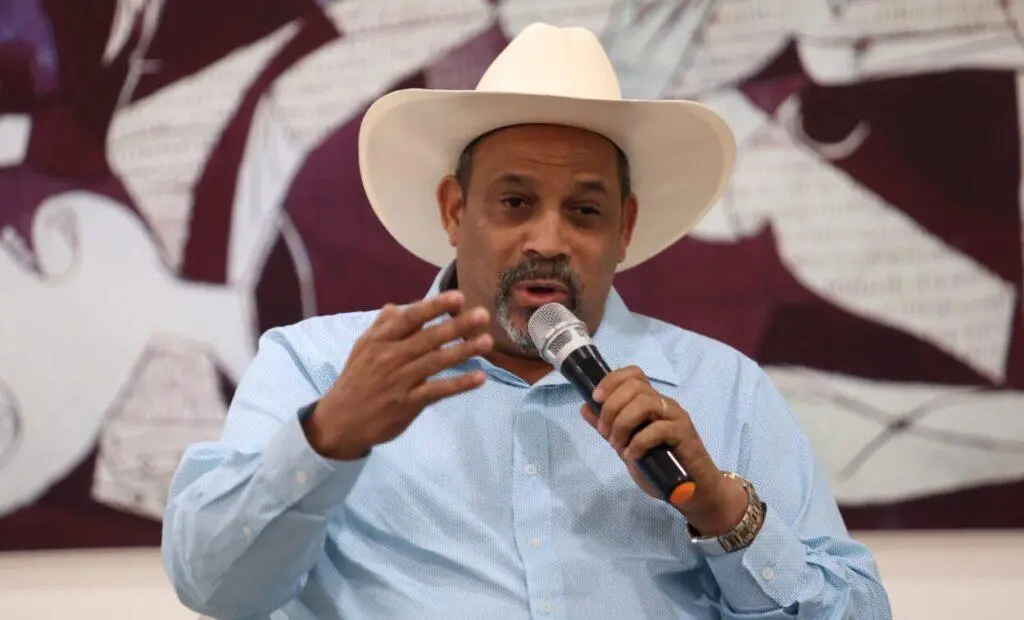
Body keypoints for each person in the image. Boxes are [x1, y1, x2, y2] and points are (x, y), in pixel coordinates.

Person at [161, 22, 892, 620]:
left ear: (623, 228)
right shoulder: (318, 366)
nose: (548, 239)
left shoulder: (722, 389)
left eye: (585, 210)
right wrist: (327, 436)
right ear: (455, 211)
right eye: (514, 203)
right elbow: (214, 586)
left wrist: (723, 511)